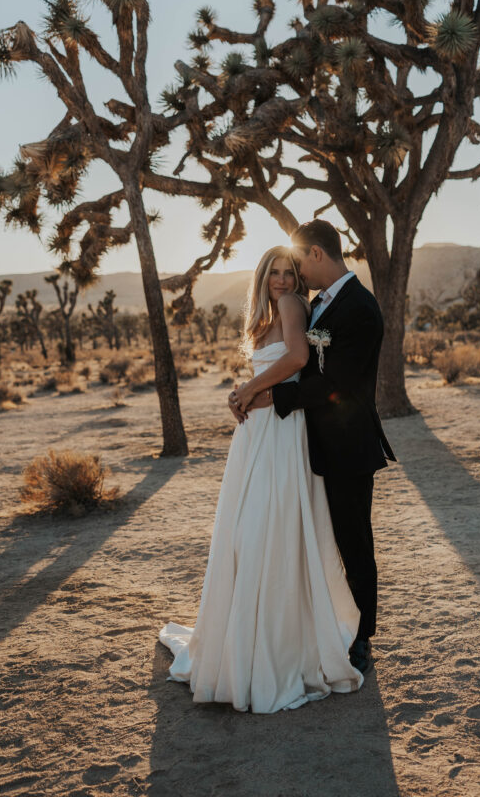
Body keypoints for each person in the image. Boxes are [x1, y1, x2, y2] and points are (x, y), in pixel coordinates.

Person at [158, 245, 364, 714]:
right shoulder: (265, 314)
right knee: (249, 530)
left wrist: (248, 390)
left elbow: (294, 358)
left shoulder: (293, 306)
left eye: (290, 271)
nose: (283, 280)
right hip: (258, 435)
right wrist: (245, 393)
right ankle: (247, 641)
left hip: (281, 433)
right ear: (262, 276)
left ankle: (270, 648)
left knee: (262, 528)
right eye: (274, 272)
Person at [233, 220, 396, 675]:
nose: (297, 274)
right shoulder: (320, 304)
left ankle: (362, 638)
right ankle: (317, 628)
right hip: (307, 442)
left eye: (300, 262)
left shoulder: (360, 308)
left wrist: (264, 397)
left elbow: (334, 384)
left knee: (353, 542)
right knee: (315, 540)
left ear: (317, 255)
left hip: (346, 445)